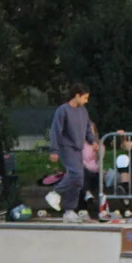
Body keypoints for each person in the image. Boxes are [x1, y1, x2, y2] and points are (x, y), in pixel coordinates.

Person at [47, 83, 95, 223]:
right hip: (66, 147)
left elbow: (88, 128)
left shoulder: (83, 111)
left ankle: (69, 211)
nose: (86, 101)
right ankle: (55, 193)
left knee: (79, 181)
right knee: (76, 174)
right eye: (85, 98)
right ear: (77, 96)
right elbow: (55, 130)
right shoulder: (63, 110)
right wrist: (54, 150)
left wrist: (92, 140)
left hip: (78, 148)